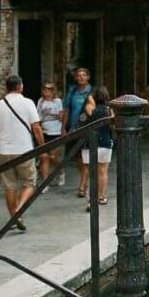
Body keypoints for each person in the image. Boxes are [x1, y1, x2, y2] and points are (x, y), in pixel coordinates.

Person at [0, 75, 44, 232]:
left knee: (9, 186)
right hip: (24, 150)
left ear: (6, 88)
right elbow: (36, 128)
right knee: (29, 183)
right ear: (21, 87)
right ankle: (18, 210)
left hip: (4, 151)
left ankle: (14, 217)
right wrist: (43, 147)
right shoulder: (28, 103)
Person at [78, 86, 113, 208]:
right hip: (105, 142)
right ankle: (101, 197)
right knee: (103, 171)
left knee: (90, 172)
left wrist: (90, 101)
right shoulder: (109, 110)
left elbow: (91, 116)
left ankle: (90, 200)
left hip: (90, 143)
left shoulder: (89, 107)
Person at [65, 68, 94, 198]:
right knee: (78, 158)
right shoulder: (72, 91)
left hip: (86, 129)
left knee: (85, 158)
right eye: (79, 75)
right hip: (73, 128)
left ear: (88, 77)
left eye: (84, 75)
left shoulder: (92, 92)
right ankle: (84, 180)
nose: (81, 77)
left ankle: (82, 186)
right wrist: (63, 128)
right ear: (76, 78)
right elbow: (67, 109)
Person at [37, 82, 67, 186]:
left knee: (53, 157)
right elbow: (38, 115)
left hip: (55, 131)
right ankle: (45, 183)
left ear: (52, 91)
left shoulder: (57, 101)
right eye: (44, 89)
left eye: (49, 89)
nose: (46, 91)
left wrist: (50, 114)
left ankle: (61, 171)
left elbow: (60, 116)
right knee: (44, 157)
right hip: (44, 131)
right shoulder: (40, 101)